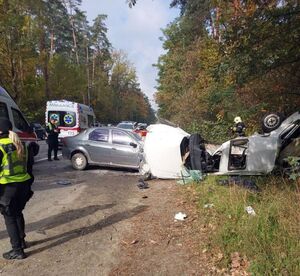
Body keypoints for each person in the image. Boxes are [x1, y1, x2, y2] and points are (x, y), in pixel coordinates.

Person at [0, 118, 33, 260]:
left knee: (10, 217)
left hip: (8, 187)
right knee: (18, 213)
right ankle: (22, 242)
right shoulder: (21, 143)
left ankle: (17, 250)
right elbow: (30, 165)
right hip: (23, 184)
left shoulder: (0, 145)